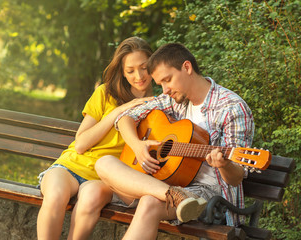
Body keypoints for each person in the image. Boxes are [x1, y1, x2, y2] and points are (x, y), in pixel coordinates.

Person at [95, 43, 254, 239]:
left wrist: (224, 164)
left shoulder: (232, 108)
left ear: (187, 68)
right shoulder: (172, 100)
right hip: (170, 184)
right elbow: (124, 118)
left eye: (167, 80)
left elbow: (235, 178)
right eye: (160, 83)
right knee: (104, 163)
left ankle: (174, 196)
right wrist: (137, 146)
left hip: (211, 197)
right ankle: (173, 196)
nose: (165, 89)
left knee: (148, 203)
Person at [37, 36, 155, 240]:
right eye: (130, 70)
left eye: (144, 67)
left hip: (105, 179)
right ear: (122, 72)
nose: (139, 75)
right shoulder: (105, 93)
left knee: (90, 197)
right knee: (55, 195)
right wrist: (120, 111)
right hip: (71, 166)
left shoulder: (158, 107)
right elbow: (81, 144)